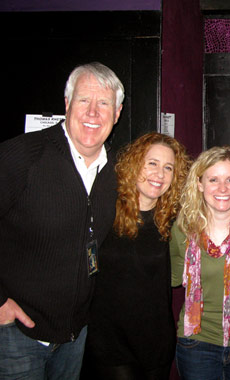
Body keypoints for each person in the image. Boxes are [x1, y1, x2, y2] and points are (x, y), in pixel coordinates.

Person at [0, 62, 124, 379]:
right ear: (67, 104)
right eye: (84, 100)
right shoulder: (23, 155)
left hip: (74, 337)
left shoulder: (114, 174)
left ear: (118, 112)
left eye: (104, 103)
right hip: (16, 335)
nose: (93, 113)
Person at [83, 132, 190, 379]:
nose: (159, 174)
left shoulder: (173, 221)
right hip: (109, 342)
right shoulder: (104, 211)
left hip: (155, 342)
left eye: (168, 168)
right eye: (151, 163)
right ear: (134, 164)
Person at [170, 146, 230, 380]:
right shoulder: (183, 229)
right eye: (213, 179)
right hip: (197, 343)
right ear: (200, 184)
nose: (223, 188)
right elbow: (170, 277)